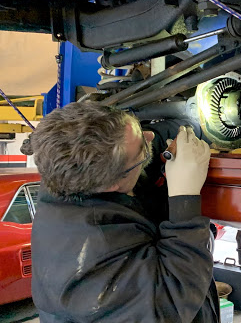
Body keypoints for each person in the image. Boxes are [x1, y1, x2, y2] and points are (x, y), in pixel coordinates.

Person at [30, 101, 219, 323]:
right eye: (142, 150)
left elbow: (149, 138)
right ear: (113, 183)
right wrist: (184, 196)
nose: (149, 137)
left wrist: (195, 126)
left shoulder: (74, 170)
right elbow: (172, 301)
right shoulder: (90, 261)